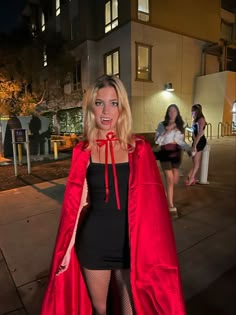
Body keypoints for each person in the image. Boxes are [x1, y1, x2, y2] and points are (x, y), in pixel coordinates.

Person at [40, 75, 186, 315]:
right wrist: (66, 251)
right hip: (94, 245)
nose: (106, 111)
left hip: (131, 246)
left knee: (131, 309)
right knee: (100, 309)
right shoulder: (83, 150)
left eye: (114, 103)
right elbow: (76, 206)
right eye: (99, 103)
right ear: (92, 108)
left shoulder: (138, 149)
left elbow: (153, 208)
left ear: (123, 108)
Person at [155, 104, 191, 216]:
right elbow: (157, 141)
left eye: (174, 111)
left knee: (174, 180)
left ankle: (166, 195)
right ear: (167, 113)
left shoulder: (180, 126)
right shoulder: (162, 125)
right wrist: (167, 130)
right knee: (170, 179)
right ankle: (170, 204)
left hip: (176, 154)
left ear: (177, 113)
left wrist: (189, 150)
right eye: (170, 111)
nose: (172, 113)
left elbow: (180, 141)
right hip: (165, 153)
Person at [185, 104, 207, 186]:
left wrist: (194, 145)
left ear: (197, 111)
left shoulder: (201, 119)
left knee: (197, 164)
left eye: (193, 111)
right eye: (192, 111)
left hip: (199, 141)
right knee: (194, 162)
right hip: (195, 141)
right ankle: (190, 177)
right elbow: (194, 131)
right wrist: (187, 128)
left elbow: (200, 133)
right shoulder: (195, 120)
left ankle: (190, 180)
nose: (192, 113)